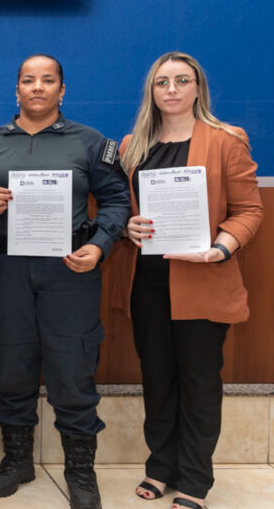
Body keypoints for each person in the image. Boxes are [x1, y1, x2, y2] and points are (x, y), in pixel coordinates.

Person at [0, 54, 130, 509]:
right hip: (7, 270)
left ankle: (80, 470)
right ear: (16, 90)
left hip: (70, 269)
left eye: (48, 80)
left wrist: (99, 245)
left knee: (73, 368)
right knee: (12, 365)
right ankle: (17, 460)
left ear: (62, 90)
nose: (37, 87)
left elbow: (117, 200)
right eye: (28, 80)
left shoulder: (89, 141)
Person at [111, 52, 262, 509]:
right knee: (157, 379)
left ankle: (195, 479)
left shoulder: (226, 140)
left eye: (182, 80)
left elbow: (249, 211)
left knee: (199, 382)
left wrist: (220, 248)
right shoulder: (131, 145)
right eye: (162, 82)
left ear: (198, 88)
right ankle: (161, 466)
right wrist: (127, 226)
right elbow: (123, 208)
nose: (172, 89)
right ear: (151, 92)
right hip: (147, 284)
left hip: (202, 279)